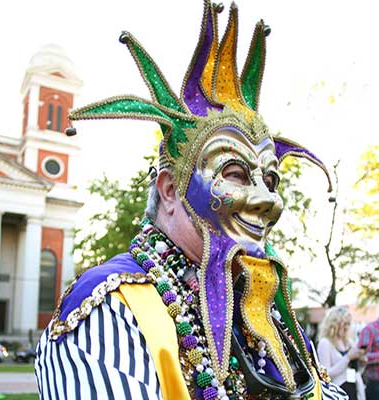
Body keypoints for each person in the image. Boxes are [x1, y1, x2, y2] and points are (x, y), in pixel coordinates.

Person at [34, 2, 349, 399]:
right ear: (169, 190)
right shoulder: (108, 307)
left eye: (271, 180)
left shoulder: (262, 313)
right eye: (235, 174)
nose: (268, 201)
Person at [318, 307, 366, 400]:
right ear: (334, 324)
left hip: (354, 387)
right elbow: (326, 374)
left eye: (348, 324)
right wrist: (347, 358)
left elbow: (356, 370)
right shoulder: (325, 343)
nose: (347, 327)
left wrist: (361, 363)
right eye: (344, 324)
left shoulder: (349, 342)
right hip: (337, 391)